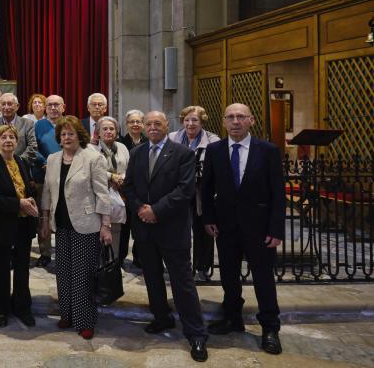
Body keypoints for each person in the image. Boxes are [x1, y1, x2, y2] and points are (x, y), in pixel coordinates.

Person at [121, 111, 208, 362]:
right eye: (148, 124)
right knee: (152, 278)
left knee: (182, 282)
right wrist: (140, 209)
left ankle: (196, 333)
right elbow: (128, 187)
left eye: (157, 123)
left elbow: (185, 190)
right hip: (145, 230)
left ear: (166, 126)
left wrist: (155, 211)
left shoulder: (183, 153)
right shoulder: (137, 153)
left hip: (172, 228)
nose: (152, 127)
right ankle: (162, 317)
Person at [202, 103, 286, 355]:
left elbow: (278, 193)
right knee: (229, 276)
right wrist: (208, 218)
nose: (235, 121)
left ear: (251, 120)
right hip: (226, 225)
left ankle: (270, 327)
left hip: (260, 227)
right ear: (224, 122)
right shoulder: (215, 150)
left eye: (240, 117)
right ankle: (232, 318)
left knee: (263, 278)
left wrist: (276, 229)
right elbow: (206, 188)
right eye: (230, 117)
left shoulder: (268, 150)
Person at [39, 116, 112, 340]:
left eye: (71, 133)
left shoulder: (93, 158)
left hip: (86, 225)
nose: (66, 138)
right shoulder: (53, 159)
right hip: (60, 225)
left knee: (82, 276)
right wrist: (44, 220)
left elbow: (102, 193)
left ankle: (84, 321)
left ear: (79, 135)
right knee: (63, 273)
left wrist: (106, 225)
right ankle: (67, 314)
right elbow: (47, 192)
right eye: (63, 134)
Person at [0, 125, 39, 328]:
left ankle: (22, 307)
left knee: (23, 268)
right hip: (1, 224)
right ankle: (0, 309)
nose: (8, 140)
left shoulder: (21, 161)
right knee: (2, 269)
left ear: (17, 141)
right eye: (3, 137)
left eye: (12, 137)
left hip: (23, 223)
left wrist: (30, 200)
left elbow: (25, 187)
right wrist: (18, 204)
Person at [169, 105, 220, 281]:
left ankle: (202, 266)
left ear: (202, 122)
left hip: (201, 191)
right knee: (178, 230)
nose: (190, 124)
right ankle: (179, 265)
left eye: (195, 120)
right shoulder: (172, 138)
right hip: (178, 190)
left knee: (202, 229)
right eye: (187, 120)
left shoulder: (213, 140)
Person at [32, 94, 65, 268]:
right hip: (42, 176)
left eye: (56, 105)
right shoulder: (38, 125)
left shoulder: (69, 124)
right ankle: (45, 252)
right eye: (50, 105)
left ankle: (63, 251)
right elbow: (32, 148)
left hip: (66, 177)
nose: (53, 108)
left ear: (63, 107)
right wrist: (46, 163)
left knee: (62, 214)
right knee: (43, 214)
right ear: (45, 108)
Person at [94, 116, 130, 260]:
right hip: (99, 194)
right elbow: (92, 170)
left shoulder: (122, 147)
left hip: (119, 192)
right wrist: (111, 176)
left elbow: (130, 166)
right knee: (100, 229)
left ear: (116, 131)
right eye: (105, 129)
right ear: (98, 132)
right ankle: (99, 262)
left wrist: (122, 177)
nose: (108, 131)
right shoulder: (91, 148)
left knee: (116, 229)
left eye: (112, 129)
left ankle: (113, 263)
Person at [118, 108, 147, 266]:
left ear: (143, 124)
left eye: (138, 121)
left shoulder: (149, 142)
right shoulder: (119, 143)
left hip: (141, 191)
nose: (135, 124)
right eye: (131, 122)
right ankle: (120, 258)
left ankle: (139, 256)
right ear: (127, 124)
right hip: (122, 191)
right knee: (123, 227)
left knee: (140, 226)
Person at [0, 93, 37, 165]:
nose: (6, 107)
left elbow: (32, 146)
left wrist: (17, 162)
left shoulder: (28, 124)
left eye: (9, 104)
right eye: (3, 104)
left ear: (17, 106)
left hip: (21, 167)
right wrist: (0, 163)